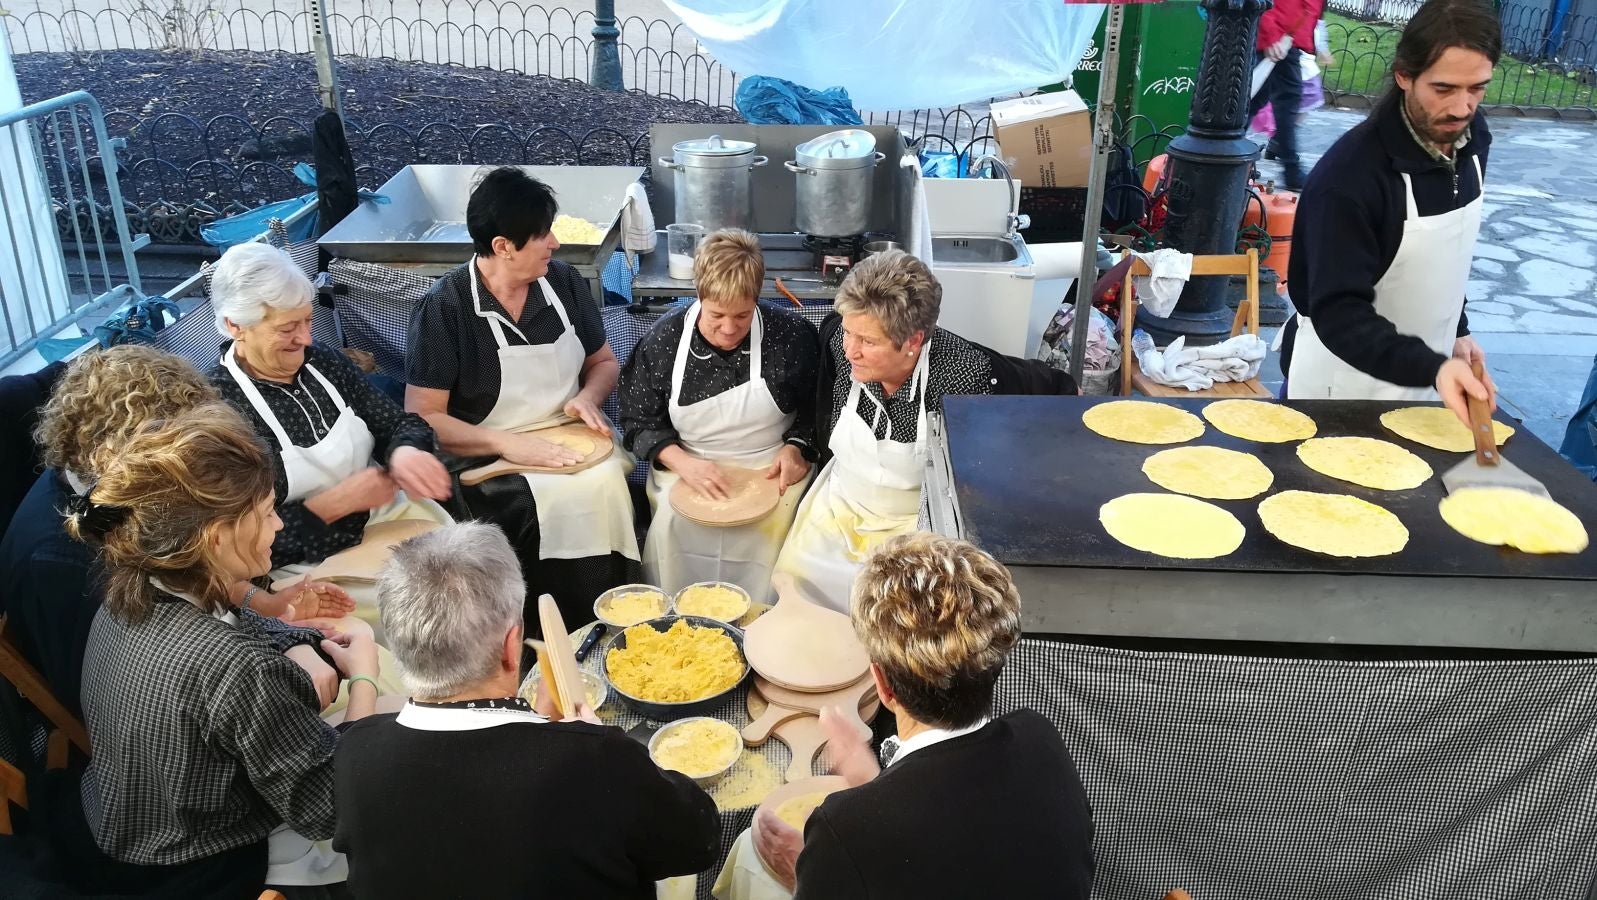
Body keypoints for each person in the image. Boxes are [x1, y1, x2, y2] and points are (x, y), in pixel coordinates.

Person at [71, 403, 383, 897]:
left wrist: (298, 639)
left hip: (123, 827)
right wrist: (365, 677)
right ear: (217, 539)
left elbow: (236, 618)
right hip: (204, 865)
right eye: (265, 514)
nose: (280, 525)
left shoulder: (129, 593)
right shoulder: (236, 668)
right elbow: (330, 808)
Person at [333, 521, 721, 898]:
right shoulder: (594, 759)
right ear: (511, 643)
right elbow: (699, 841)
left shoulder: (355, 751)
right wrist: (593, 740)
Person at [0, 346, 350, 720]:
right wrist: (282, 644)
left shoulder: (111, 496)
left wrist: (262, 604)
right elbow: (124, 700)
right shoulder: (66, 564)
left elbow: (192, 581)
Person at [753, 533, 1094, 898]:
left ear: (882, 684)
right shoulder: (1039, 737)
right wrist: (875, 785)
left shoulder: (844, 832)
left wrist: (803, 877)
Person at [774, 250, 1076, 612]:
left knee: (896, 618)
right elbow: (815, 396)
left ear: (913, 342)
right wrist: (800, 442)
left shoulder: (966, 372)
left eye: (868, 342)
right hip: (838, 509)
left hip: (913, 528)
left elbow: (1058, 390)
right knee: (795, 595)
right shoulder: (838, 340)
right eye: (848, 332)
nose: (850, 349)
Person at [405, 166, 640, 629]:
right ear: (502, 247)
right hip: (487, 452)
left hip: (569, 432)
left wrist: (589, 399)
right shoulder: (446, 308)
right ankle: (531, 631)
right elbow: (424, 416)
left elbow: (604, 362)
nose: (553, 243)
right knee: (529, 502)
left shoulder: (564, 284)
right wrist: (507, 444)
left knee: (606, 483)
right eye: (542, 235)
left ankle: (608, 615)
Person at [210, 242, 453, 634]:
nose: (304, 339)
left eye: (307, 321)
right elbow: (233, 548)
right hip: (309, 567)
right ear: (236, 326)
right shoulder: (221, 413)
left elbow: (396, 422)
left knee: (469, 573)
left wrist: (406, 452)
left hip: (386, 517)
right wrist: (329, 506)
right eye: (287, 328)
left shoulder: (321, 361)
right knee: (429, 612)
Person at [1282, 0, 1500, 426]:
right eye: (1444, 89)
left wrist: (1457, 330)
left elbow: (1445, 259)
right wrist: (1433, 368)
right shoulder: (1349, 179)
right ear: (1404, 75)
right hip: (1341, 386)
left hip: (1431, 377)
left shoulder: (1472, 139)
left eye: (1477, 88)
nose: (1462, 108)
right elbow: (1338, 312)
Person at [620, 229, 819, 602]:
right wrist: (681, 462)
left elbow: (818, 407)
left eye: (743, 315)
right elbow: (636, 421)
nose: (729, 329)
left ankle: (767, 625)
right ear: (699, 295)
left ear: (758, 299)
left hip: (771, 465)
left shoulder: (789, 337)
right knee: (671, 524)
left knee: (781, 525)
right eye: (717, 315)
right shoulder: (664, 341)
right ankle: (678, 619)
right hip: (689, 463)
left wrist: (798, 447)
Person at [1248, 0, 1326, 191]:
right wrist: (1272, 36)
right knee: (1284, 104)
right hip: (1281, 38)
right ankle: (1291, 170)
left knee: (1255, 102)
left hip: (1285, 38)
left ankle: (1234, 155)